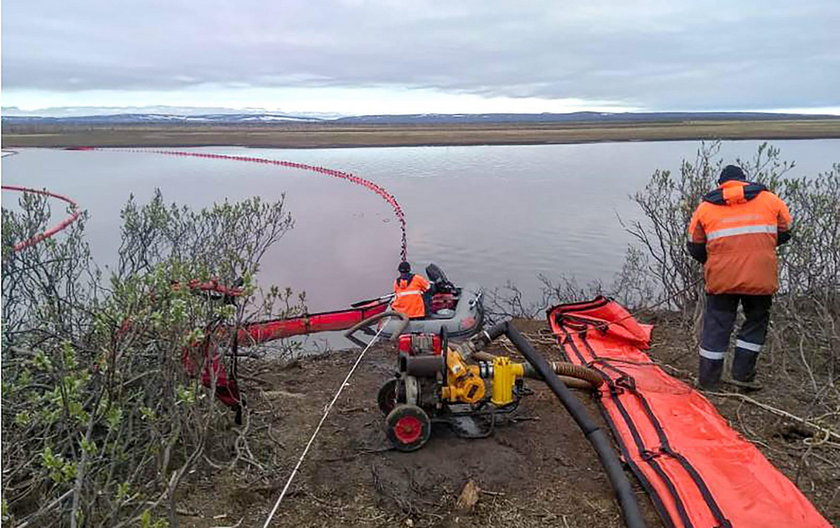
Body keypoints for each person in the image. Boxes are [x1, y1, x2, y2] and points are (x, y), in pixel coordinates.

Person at [687, 165, 792, 390]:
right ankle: (742, 377)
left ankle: (708, 382)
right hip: (760, 276)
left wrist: (715, 260)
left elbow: (695, 247)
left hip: (722, 279)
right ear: (745, 181)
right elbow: (784, 232)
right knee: (755, 322)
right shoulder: (770, 200)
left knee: (717, 325)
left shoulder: (705, 208)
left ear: (721, 184)